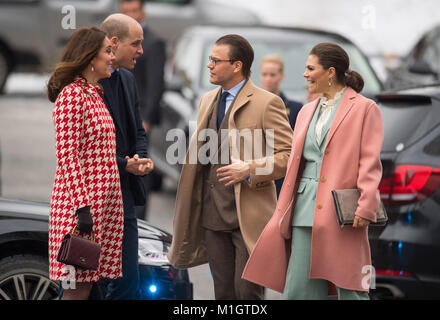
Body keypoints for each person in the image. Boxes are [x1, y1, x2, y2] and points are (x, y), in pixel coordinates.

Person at [242, 42, 384, 300]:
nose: (305, 74)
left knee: (350, 287)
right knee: (300, 290)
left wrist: (366, 206)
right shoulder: (306, 110)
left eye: (310, 68)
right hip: (305, 209)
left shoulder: (364, 108)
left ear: (330, 72)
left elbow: (370, 162)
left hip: (343, 212)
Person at [167, 34, 293, 300]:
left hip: (247, 217)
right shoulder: (207, 100)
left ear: (237, 66)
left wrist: (249, 169)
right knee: (223, 293)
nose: (209, 65)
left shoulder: (267, 103)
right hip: (212, 216)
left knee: (247, 293)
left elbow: (288, 156)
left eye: (215, 60)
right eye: (210, 60)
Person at [47, 27, 124, 300]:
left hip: (100, 206)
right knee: (75, 290)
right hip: (80, 211)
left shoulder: (93, 93)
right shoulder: (72, 95)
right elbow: (67, 155)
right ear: (90, 57)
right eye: (107, 51)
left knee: (87, 287)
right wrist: (82, 209)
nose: (111, 57)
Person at [99, 13, 154, 300]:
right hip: (93, 201)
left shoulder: (129, 79)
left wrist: (141, 160)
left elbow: (138, 129)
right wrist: (125, 164)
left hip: (125, 197)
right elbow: (86, 150)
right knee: (89, 283)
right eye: (136, 43)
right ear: (114, 42)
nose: (141, 51)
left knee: (127, 281)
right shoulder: (84, 84)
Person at [119, 0, 166, 220]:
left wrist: (145, 119)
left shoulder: (154, 42)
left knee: (141, 168)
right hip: (121, 115)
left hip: (141, 118)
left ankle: (138, 220)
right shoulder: (116, 42)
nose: (130, 14)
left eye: (134, 10)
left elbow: (156, 84)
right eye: (126, 11)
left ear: (143, 11)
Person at [259, 54, 303, 197]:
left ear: (281, 76)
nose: (268, 79)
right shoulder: (251, 105)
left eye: (273, 75)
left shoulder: (296, 108)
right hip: (257, 171)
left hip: (284, 174)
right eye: (264, 74)